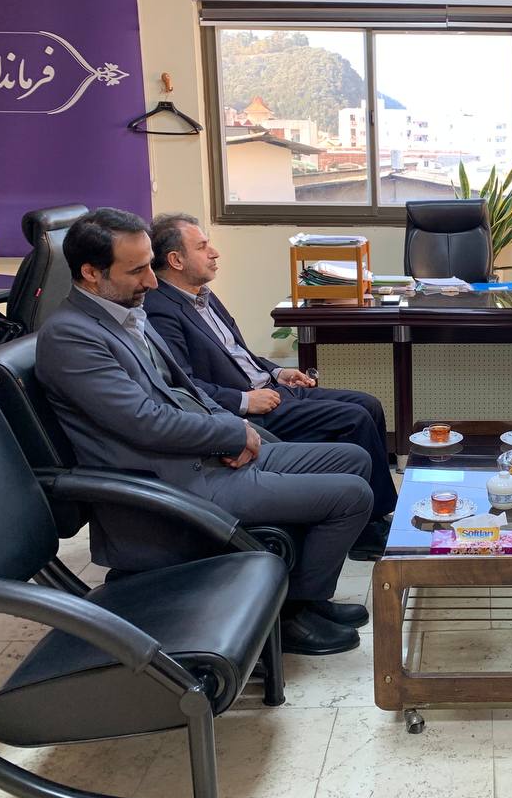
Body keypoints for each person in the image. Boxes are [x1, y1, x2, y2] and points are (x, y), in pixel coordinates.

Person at [35, 208, 374, 658]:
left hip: (205, 455)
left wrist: (236, 429)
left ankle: (307, 597)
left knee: (354, 459)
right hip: (173, 481)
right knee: (352, 496)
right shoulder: (71, 337)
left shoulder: (126, 313)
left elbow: (188, 390)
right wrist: (230, 434)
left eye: (149, 265)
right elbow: (144, 421)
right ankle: (291, 615)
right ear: (91, 273)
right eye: (136, 271)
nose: (151, 281)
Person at [143, 212, 393, 558]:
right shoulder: (161, 310)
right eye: (202, 247)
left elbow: (237, 353)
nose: (214, 252)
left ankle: (377, 515)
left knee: (368, 404)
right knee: (355, 419)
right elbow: (184, 386)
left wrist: (277, 372)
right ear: (176, 260)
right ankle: (366, 534)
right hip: (247, 409)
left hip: (270, 387)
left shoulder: (203, 295)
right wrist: (245, 400)